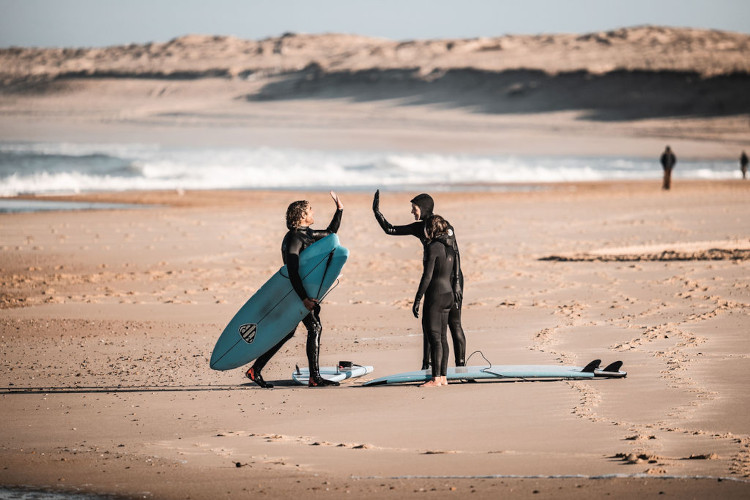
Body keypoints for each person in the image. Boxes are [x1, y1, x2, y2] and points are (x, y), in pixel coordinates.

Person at [245, 191, 344, 388]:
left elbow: (331, 234)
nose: (312, 211)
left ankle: (255, 370)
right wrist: (304, 298)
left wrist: (339, 209)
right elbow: (292, 271)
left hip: (302, 293)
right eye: (309, 210)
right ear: (301, 216)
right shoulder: (293, 239)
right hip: (294, 292)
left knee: (289, 332)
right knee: (314, 327)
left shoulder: (307, 234)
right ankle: (314, 377)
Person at [372, 190, 466, 369]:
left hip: (453, 278)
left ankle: (462, 368)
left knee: (454, 323)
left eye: (414, 208)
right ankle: (427, 365)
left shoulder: (444, 226)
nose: (412, 212)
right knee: (428, 324)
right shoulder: (419, 228)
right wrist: (377, 212)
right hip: (436, 278)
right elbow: (390, 229)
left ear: (423, 208)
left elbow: (456, 254)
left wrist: (457, 284)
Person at [413, 215, 458, 387]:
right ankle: (443, 377)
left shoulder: (433, 247)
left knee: (434, 337)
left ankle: (435, 379)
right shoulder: (451, 248)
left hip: (436, 295)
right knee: (443, 337)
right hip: (448, 294)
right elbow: (454, 275)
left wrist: (418, 298)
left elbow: (427, 276)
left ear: (430, 229)